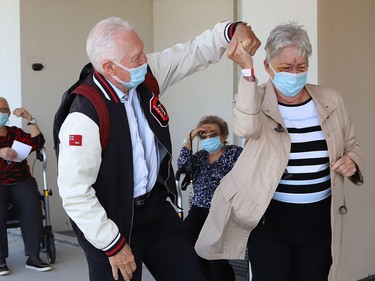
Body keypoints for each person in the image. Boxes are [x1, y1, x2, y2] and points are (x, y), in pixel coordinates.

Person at [56, 17, 260, 281]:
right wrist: (113, 245)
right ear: (109, 67)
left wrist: (230, 31)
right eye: (136, 58)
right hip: (110, 221)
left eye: (142, 51)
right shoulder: (83, 116)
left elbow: (190, 53)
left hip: (154, 209)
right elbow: (75, 193)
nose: (145, 61)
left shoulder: (141, 76)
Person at [195, 23, 364, 281]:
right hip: (269, 222)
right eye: (286, 67)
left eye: (301, 67)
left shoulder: (331, 99)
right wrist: (247, 72)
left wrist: (352, 160)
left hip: (319, 221)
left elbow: (351, 143)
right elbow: (245, 127)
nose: (294, 74)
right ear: (267, 66)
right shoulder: (255, 99)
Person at [177, 115, 243, 281]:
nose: (207, 138)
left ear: (223, 136)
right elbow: (183, 165)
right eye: (203, 135)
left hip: (223, 209)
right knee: (187, 243)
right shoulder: (199, 157)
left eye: (212, 133)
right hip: (199, 209)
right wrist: (189, 138)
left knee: (213, 253)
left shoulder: (234, 153)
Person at [0, 97, 52, 276]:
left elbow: (38, 143)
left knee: (32, 206)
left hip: (20, 179)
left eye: (5, 110)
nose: (2, 113)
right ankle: (0, 259)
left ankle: (33, 256)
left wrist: (30, 118)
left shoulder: (15, 133)